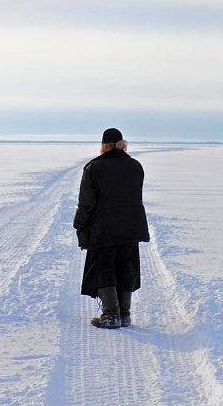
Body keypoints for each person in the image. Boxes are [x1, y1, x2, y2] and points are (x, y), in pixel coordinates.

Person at [73, 128, 150, 329]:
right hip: (132, 227)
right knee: (127, 267)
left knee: (104, 268)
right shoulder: (135, 166)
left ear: (104, 146)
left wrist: (79, 224)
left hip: (104, 229)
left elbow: (86, 203)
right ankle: (124, 315)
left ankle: (111, 315)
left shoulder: (94, 168)